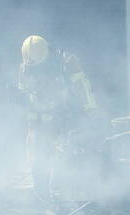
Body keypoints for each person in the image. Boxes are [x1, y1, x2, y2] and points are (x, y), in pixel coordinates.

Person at [17, 35, 97, 201]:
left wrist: (90, 110)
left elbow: (82, 87)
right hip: (37, 121)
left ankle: (64, 198)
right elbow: (24, 91)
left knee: (63, 157)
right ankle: (41, 197)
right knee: (37, 158)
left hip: (64, 118)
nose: (34, 68)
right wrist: (20, 102)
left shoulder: (66, 63)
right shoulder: (26, 67)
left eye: (37, 64)